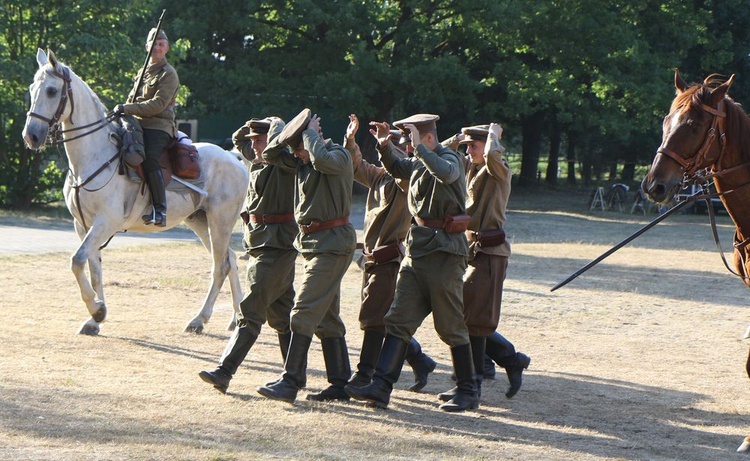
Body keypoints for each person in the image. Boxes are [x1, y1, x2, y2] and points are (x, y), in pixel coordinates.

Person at [345, 114, 478, 412]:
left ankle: (469, 389)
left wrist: (420, 149)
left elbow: (445, 174)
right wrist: (383, 145)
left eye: (412, 139)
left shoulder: (450, 159)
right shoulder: (419, 161)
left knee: (450, 324)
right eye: (406, 141)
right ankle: (381, 386)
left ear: (427, 138)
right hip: (417, 254)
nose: (408, 146)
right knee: (398, 320)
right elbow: (395, 167)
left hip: (444, 255)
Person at [257, 108, 356, 403]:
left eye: (298, 149)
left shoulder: (338, 156)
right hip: (315, 245)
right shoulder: (303, 162)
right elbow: (272, 156)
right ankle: (340, 384)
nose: (296, 155)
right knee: (326, 317)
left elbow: (322, 159)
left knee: (302, 312)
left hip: (333, 245)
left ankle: (291, 381)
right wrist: (281, 130)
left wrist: (310, 132)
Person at [198, 117, 298, 394]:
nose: (253, 145)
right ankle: (293, 377)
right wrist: (254, 124)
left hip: (276, 247)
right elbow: (237, 139)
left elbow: (273, 146)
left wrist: (276, 125)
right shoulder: (259, 161)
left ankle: (224, 370)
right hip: (262, 246)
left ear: (274, 140)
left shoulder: (285, 162)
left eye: (259, 140)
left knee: (249, 311)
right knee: (281, 316)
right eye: (253, 141)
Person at [343, 114, 437, 393]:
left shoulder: (408, 180)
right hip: (372, 258)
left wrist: (389, 151)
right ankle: (419, 360)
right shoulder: (381, 177)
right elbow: (357, 165)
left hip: (389, 259)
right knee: (381, 317)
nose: (386, 151)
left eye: (394, 147)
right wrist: (350, 140)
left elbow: (400, 173)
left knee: (374, 319)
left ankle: (364, 375)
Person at [438, 123, 530, 403]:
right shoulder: (469, 169)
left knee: (475, 322)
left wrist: (493, 136)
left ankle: (473, 384)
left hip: (490, 253)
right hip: (470, 251)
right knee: (464, 318)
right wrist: (459, 137)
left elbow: (492, 156)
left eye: (473, 146)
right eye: (466, 147)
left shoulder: (498, 169)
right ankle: (509, 360)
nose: (468, 150)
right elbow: (440, 153)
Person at [114, 27, 180, 227]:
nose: (156, 48)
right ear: (147, 47)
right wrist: (122, 111)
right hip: (137, 123)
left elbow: (158, 104)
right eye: (153, 44)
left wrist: (127, 107)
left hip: (158, 125)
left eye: (160, 44)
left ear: (166, 48)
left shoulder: (169, 74)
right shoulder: (142, 72)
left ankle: (160, 210)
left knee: (150, 157)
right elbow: (132, 98)